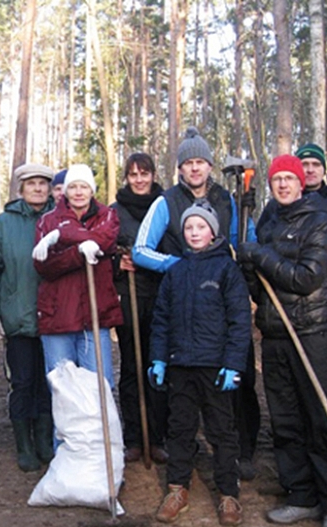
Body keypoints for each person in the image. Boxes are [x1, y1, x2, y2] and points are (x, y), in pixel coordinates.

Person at [132, 127, 260, 480]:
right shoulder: (166, 202)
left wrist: (241, 252)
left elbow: (241, 241)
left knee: (237, 377)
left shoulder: (226, 198)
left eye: (200, 161)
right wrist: (179, 267)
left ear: (210, 165)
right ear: (180, 168)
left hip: (222, 299)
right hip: (182, 306)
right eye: (188, 163)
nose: (195, 168)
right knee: (182, 389)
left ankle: (240, 452)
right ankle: (179, 457)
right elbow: (140, 251)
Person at [238, 155, 327, 527]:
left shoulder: (320, 221)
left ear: (301, 183)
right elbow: (262, 289)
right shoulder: (269, 222)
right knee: (286, 422)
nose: (284, 184)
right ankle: (300, 495)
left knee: (321, 418)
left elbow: (306, 279)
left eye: (290, 178)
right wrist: (249, 271)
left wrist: (261, 256)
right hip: (275, 337)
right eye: (278, 179)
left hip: (311, 334)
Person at [150, 200, 250, 527]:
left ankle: (228, 493)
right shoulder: (175, 272)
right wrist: (160, 359)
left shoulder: (226, 270)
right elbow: (161, 321)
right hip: (181, 365)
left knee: (222, 430)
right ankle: (177, 489)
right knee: (179, 428)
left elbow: (239, 322)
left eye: (201, 227)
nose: (194, 233)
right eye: (189, 228)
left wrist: (233, 365)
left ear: (212, 232)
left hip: (215, 367)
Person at [0, 163, 56, 472]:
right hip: (18, 318)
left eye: (43, 184)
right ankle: (24, 444)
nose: (38, 189)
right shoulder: (2, 225)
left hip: (54, 320)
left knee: (49, 383)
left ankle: (44, 440)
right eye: (32, 184)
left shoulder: (59, 220)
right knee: (23, 381)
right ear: (21, 189)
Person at [32, 163, 122, 393]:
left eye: (84, 186)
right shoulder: (47, 221)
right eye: (73, 187)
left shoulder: (107, 215)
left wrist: (62, 235)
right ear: (65, 191)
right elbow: (45, 266)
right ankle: (65, 432)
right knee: (64, 392)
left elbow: (105, 241)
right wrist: (78, 251)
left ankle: (103, 431)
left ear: (92, 190)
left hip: (95, 316)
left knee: (100, 388)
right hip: (57, 316)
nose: (79, 192)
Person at [111, 152, 168, 464]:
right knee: (132, 366)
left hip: (160, 295)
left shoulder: (165, 205)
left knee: (157, 363)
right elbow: (104, 251)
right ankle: (134, 437)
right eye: (133, 174)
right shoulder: (114, 211)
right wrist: (118, 263)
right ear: (126, 178)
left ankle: (157, 437)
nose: (139, 179)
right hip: (129, 294)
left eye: (144, 173)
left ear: (153, 175)